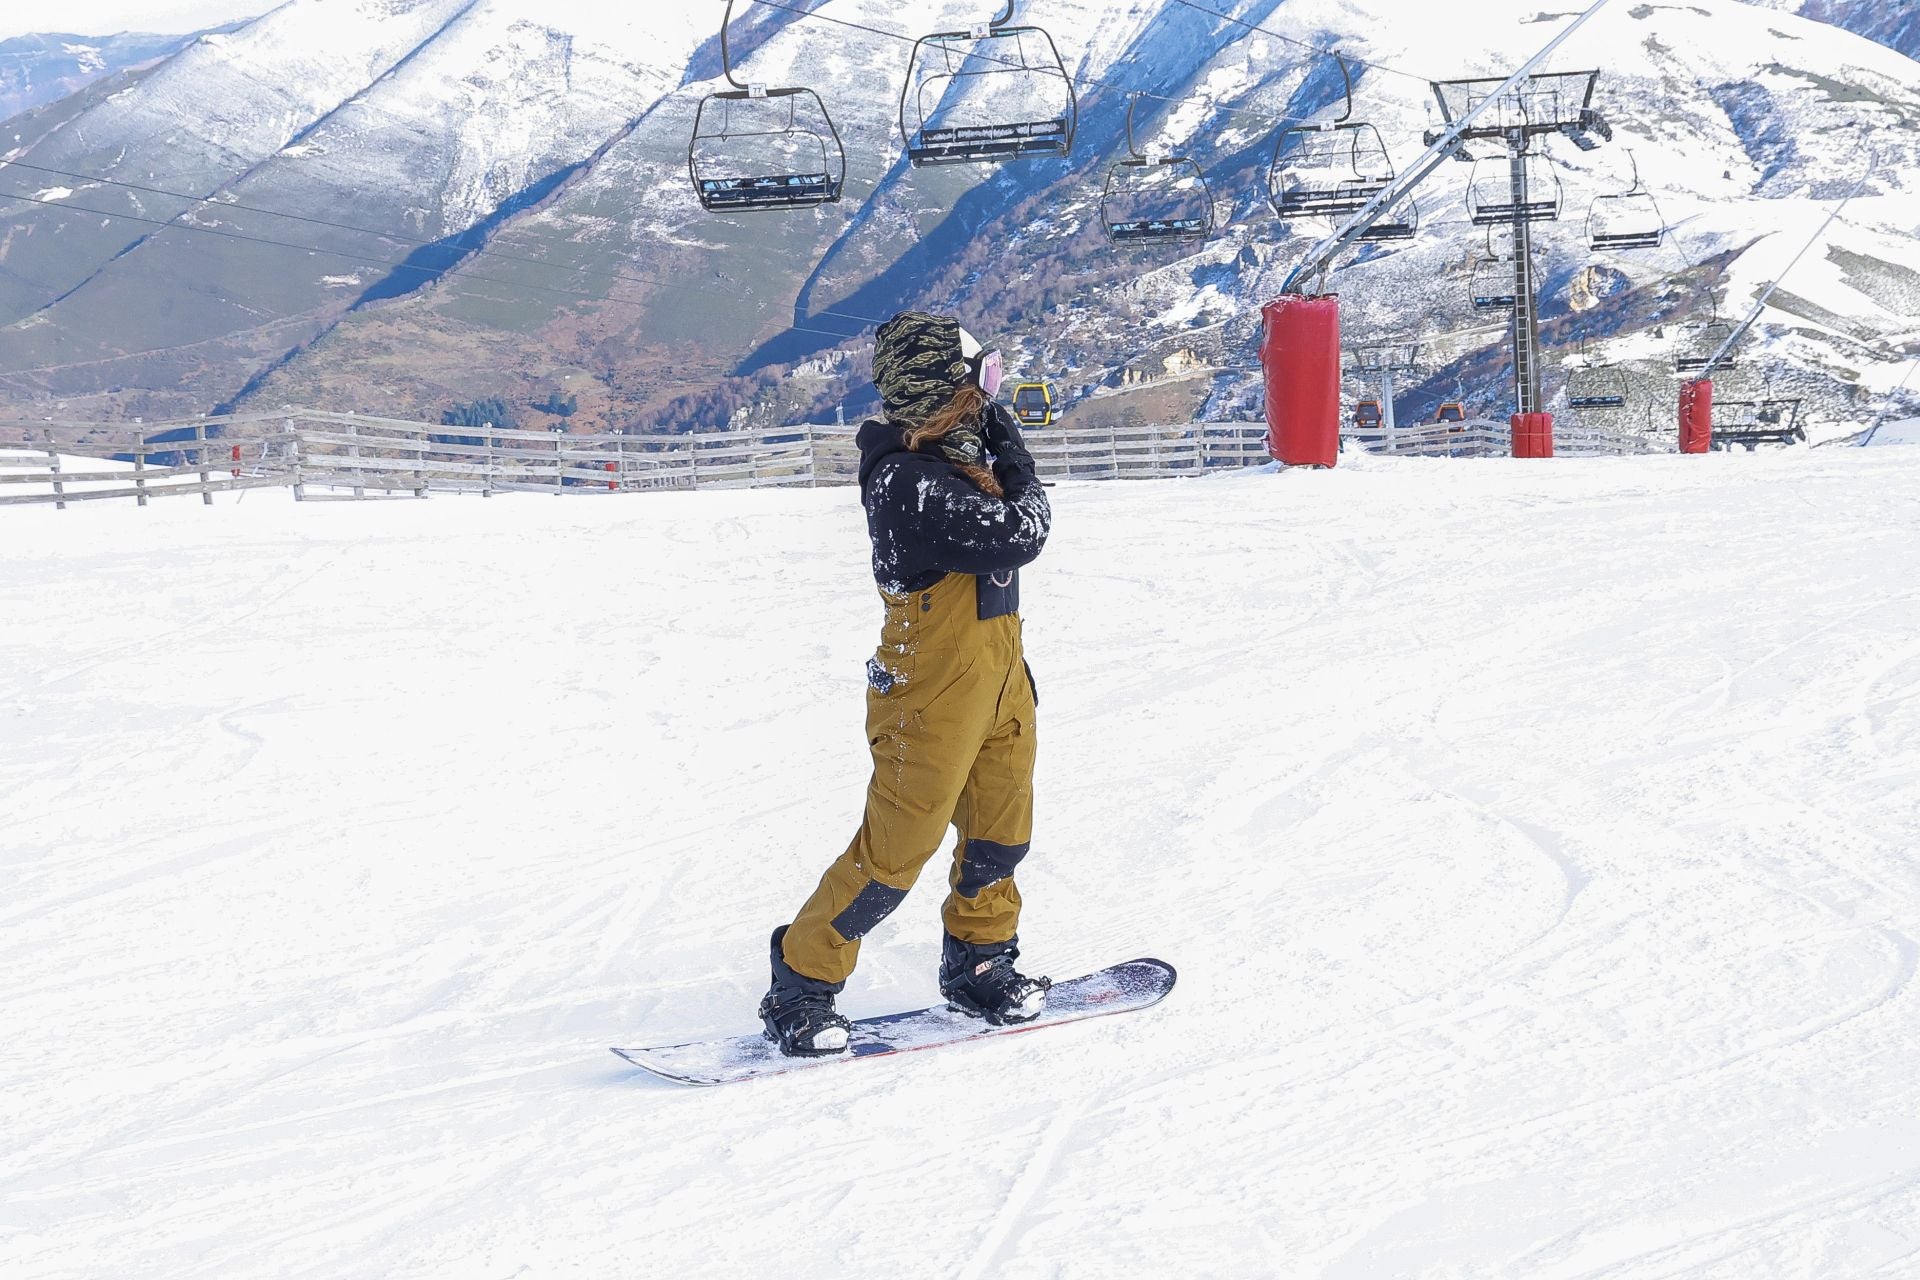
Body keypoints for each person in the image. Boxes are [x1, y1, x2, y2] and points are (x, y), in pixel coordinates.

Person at [760, 311, 1054, 1056]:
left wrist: (997, 451)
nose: (990, 397)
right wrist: (1016, 456)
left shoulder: (956, 462)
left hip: (997, 678)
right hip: (929, 694)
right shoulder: (908, 480)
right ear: (942, 390)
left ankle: (981, 961)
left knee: (999, 836)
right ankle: (801, 982)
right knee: (895, 853)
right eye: (981, 381)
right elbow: (1020, 532)